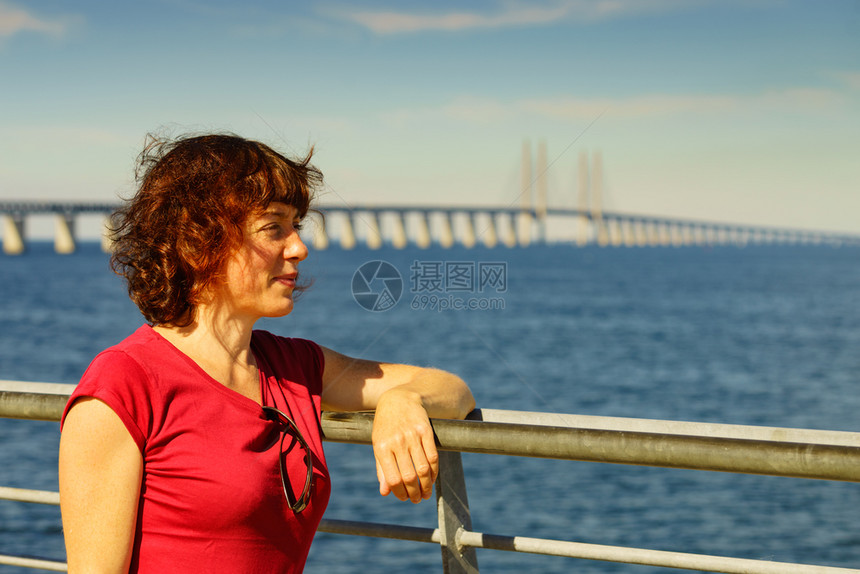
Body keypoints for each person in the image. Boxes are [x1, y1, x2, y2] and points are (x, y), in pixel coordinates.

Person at [58, 133, 475, 574]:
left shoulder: (293, 367)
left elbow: (454, 390)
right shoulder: (126, 383)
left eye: (296, 225)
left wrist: (402, 401)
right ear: (198, 241)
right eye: (273, 227)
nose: (299, 247)